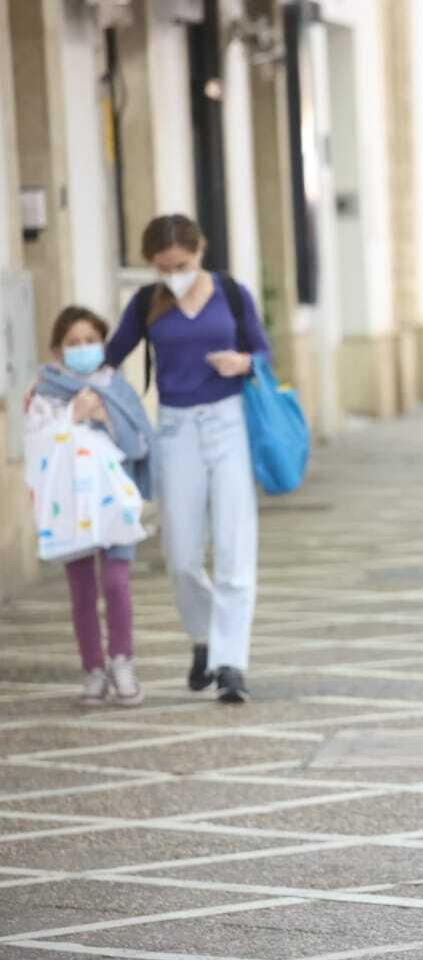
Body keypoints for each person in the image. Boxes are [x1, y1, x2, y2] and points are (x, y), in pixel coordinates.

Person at [104, 215, 269, 704]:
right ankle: (203, 637)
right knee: (180, 556)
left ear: (200, 252)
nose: (173, 275)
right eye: (163, 267)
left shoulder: (232, 294)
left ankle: (232, 662)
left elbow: (264, 353)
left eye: (182, 265)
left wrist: (244, 363)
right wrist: (65, 388)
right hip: (175, 430)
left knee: (235, 548)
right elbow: (111, 356)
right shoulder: (147, 302)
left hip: (228, 422)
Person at [25, 307, 154, 706]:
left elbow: (139, 445)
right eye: (73, 343)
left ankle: (122, 661)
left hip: (114, 502)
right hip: (70, 504)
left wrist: (105, 418)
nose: (83, 348)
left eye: (90, 341)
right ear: (57, 349)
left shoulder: (117, 386)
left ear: (103, 343)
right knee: (81, 589)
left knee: (116, 583)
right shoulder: (45, 392)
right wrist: (73, 416)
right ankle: (94, 669)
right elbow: (36, 444)